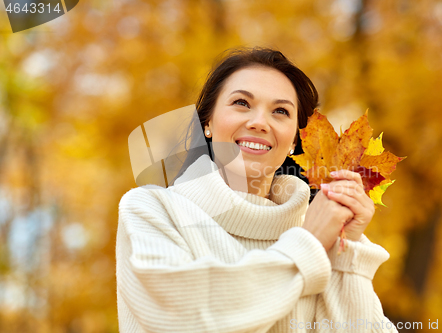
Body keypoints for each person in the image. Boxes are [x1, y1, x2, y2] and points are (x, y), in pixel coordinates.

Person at [116, 46, 398, 332]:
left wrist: (344, 251)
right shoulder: (151, 210)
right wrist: (307, 246)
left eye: (280, 111)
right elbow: (181, 319)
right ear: (207, 122)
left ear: (293, 141)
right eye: (241, 103)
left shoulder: (316, 232)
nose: (259, 123)